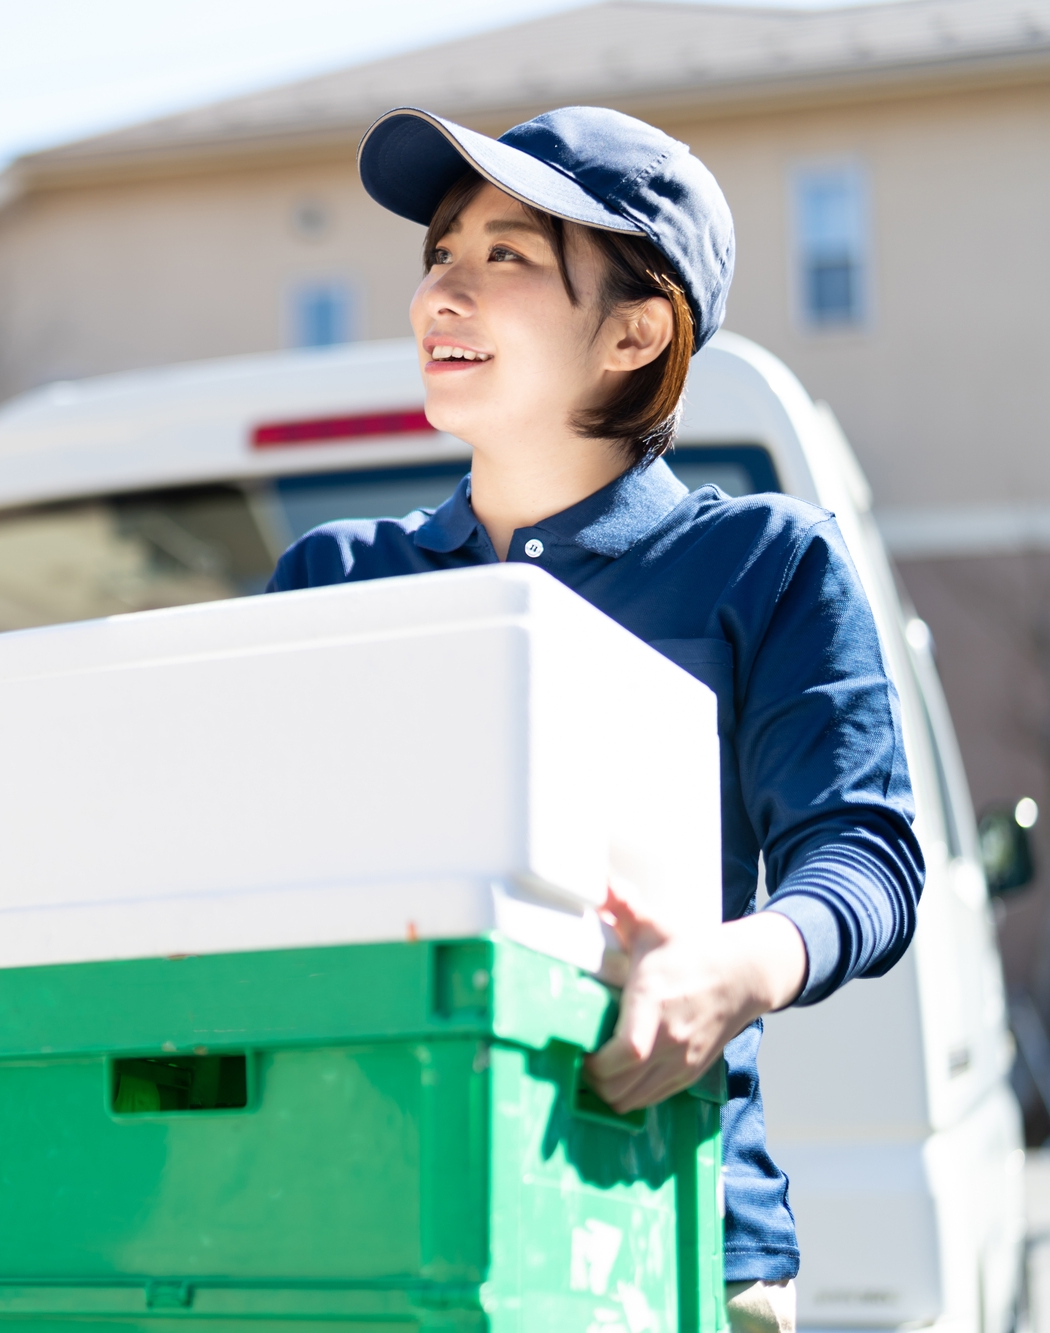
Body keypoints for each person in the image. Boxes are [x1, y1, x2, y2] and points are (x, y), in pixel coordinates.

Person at [267, 106, 923, 1333]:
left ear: (633, 330)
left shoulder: (764, 563)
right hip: (356, 1216)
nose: (437, 294)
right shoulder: (329, 578)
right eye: (437, 255)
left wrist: (733, 968)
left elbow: (864, 856)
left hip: (662, 1224)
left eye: (503, 255)